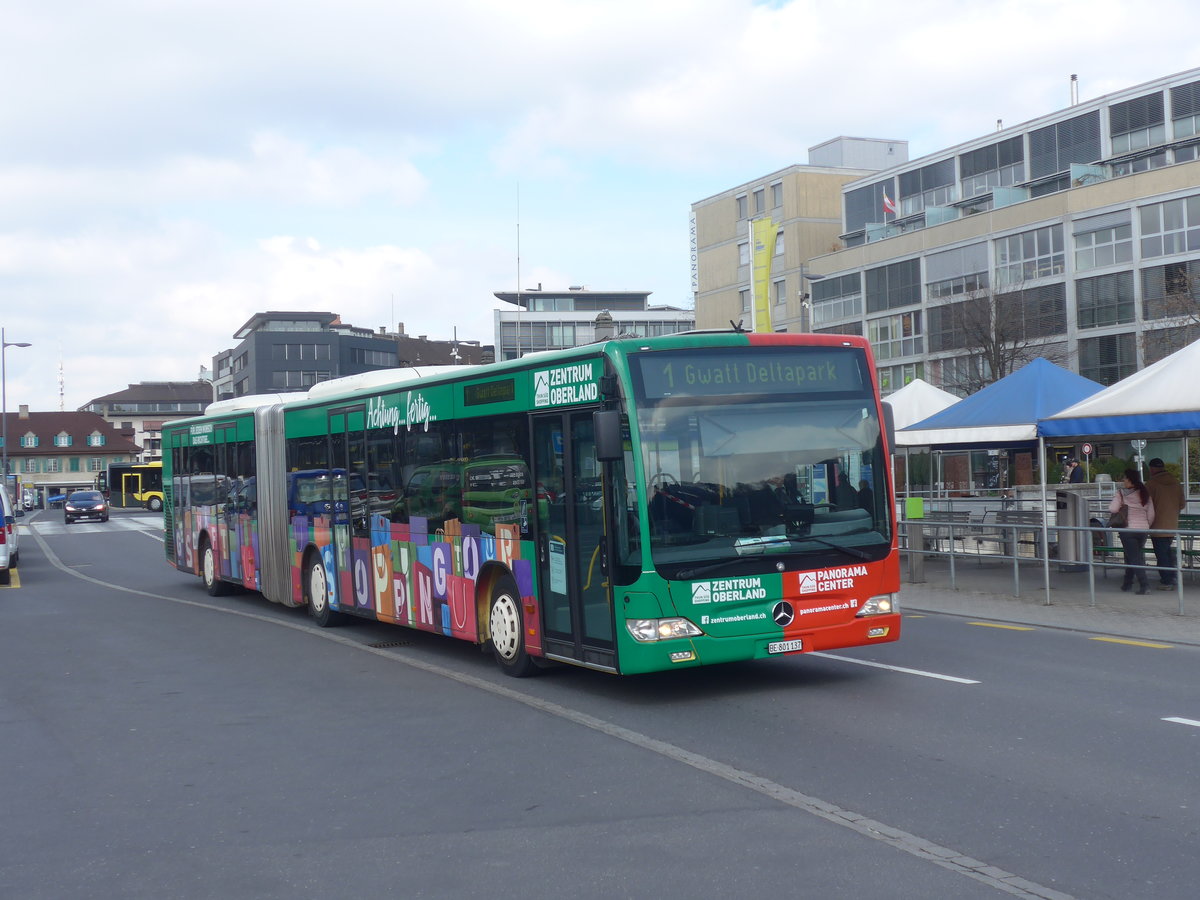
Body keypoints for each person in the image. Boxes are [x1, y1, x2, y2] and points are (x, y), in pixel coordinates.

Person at [1109, 468, 1155, 595]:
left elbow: (1113, 509)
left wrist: (1118, 501)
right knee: (1132, 556)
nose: (1123, 480)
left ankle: (1145, 585)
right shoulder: (1145, 493)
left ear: (1129, 480)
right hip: (1143, 530)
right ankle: (1127, 583)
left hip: (1128, 530)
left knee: (1134, 558)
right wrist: (1146, 526)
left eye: (1124, 478)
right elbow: (1151, 514)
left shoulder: (1121, 493)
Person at [1145, 457, 1186, 589]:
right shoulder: (1176, 482)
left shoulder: (1151, 484)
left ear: (1152, 469)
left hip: (1157, 525)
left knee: (1161, 554)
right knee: (1167, 552)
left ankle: (1167, 581)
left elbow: (1144, 504)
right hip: (1172, 525)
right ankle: (1172, 577)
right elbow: (1182, 504)